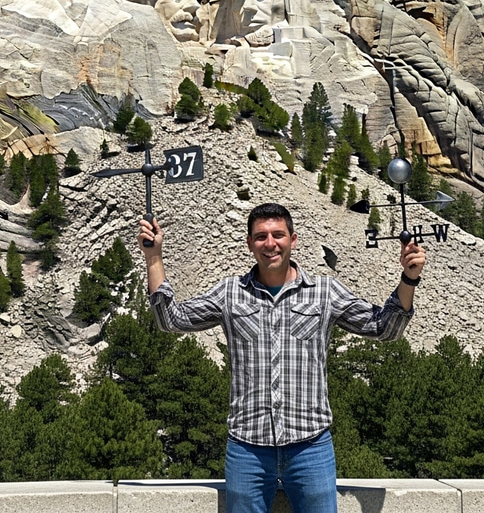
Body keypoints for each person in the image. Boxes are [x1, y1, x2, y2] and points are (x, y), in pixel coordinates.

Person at [137, 202, 426, 513]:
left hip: (310, 447)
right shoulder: (229, 293)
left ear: (293, 239)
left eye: (278, 235)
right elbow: (171, 320)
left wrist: (408, 279)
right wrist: (153, 257)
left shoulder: (324, 292)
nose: (270, 244)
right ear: (250, 244)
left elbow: (385, 328)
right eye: (260, 237)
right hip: (247, 448)